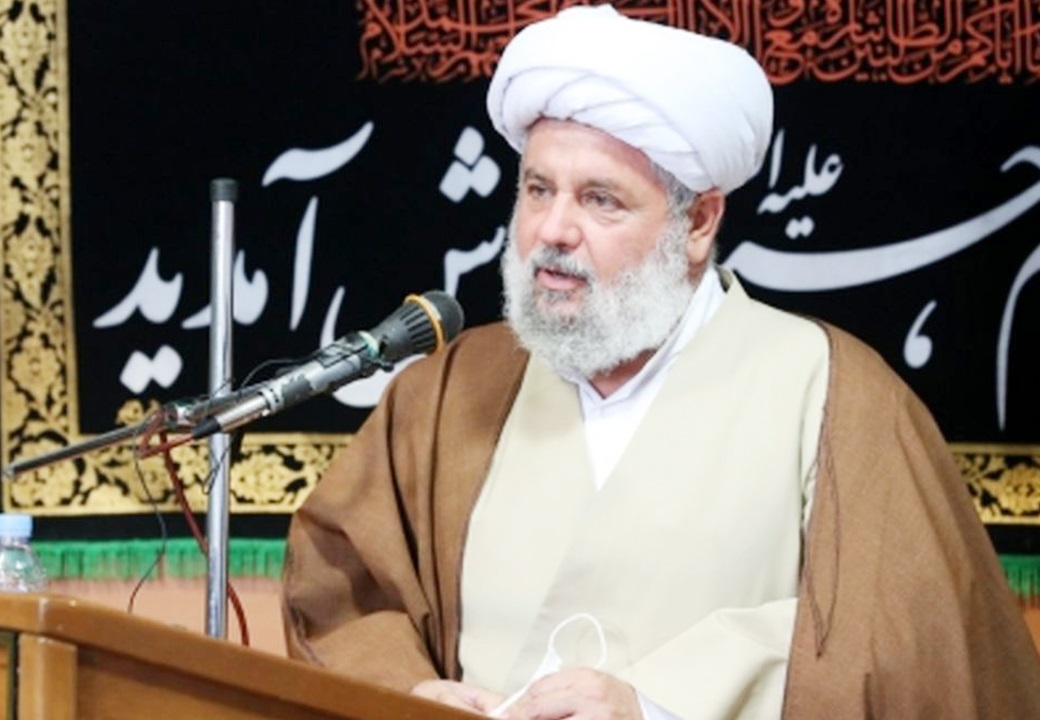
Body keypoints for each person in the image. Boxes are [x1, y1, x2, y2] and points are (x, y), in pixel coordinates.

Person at [281, 5, 1040, 718]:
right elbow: (346, 591)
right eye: (538, 190)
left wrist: (658, 705)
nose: (553, 230)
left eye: (600, 200)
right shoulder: (452, 389)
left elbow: (909, 647)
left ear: (699, 222)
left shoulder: (834, 394)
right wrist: (410, 693)